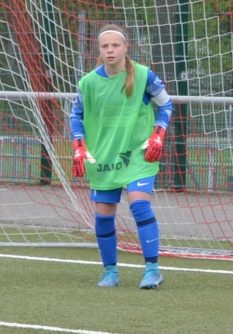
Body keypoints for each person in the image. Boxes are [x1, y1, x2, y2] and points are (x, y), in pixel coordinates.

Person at [71, 24, 172, 289]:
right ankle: (110, 272)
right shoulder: (88, 82)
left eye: (115, 45)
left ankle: (152, 270)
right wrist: (79, 146)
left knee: (139, 205)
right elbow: (76, 115)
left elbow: (166, 104)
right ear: (99, 50)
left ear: (126, 48)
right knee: (104, 215)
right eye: (105, 46)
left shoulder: (144, 75)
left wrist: (158, 134)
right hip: (103, 156)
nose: (110, 50)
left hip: (138, 153)